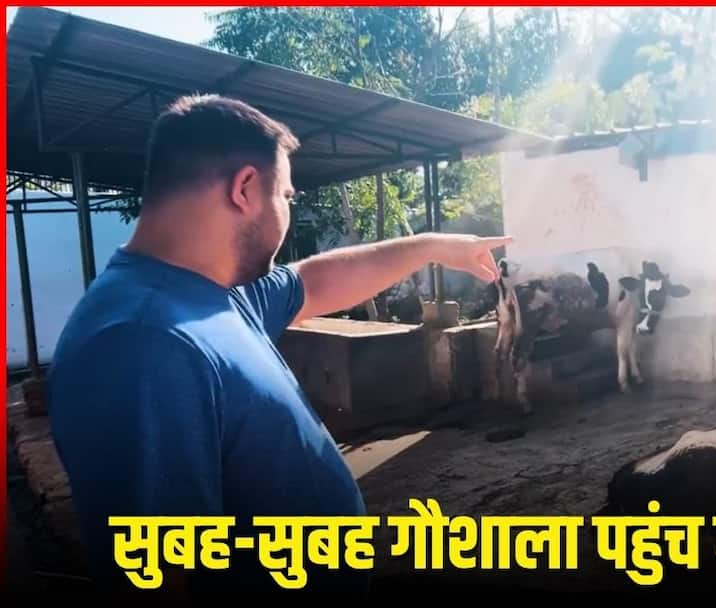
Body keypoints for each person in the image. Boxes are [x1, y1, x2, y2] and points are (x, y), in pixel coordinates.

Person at [45, 94, 510, 594]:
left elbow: (315, 280)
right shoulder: (143, 344)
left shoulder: (210, 295)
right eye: (286, 196)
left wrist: (436, 246)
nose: (289, 209)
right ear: (245, 188)